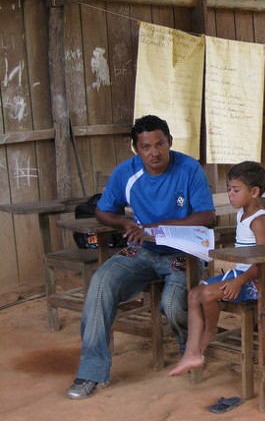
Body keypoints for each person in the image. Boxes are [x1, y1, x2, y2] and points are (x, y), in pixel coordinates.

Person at [66, 115, 216, 399]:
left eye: (160, 144)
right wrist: (124, 224)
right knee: (100, 283)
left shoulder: (188, 169)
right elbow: (102, 210)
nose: (154, 152)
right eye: (146, 146)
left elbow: (208, 216)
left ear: (170, 142)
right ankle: (91, 372)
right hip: (142, 251)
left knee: (172, 306)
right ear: (136, 149)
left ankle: (191, 348)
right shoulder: (127, 172)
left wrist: (158, 228)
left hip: (183, 255)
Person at [168, 161, 265, 376]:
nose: (230, 194)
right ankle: (191, 352)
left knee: (208, 294)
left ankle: (208, 334)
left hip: (260, 281)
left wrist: (239, 281)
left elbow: (263, 262)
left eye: (236, 190)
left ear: (254, 191)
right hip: (241, 275)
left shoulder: (260, 221)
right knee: (193, 294)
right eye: (229, 189)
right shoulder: (242, 214)